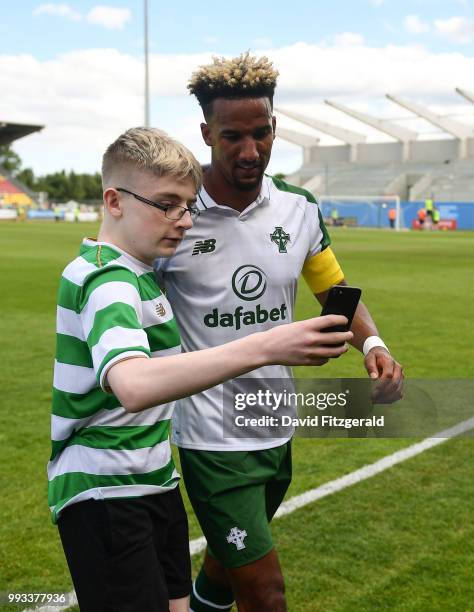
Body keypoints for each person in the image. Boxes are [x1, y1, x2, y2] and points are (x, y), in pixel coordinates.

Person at [48, 127, 353, 612]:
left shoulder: (142, 275)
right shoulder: (107, 280)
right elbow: (132, 384)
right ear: (114, 200)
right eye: (167, 204)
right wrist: (264, 346)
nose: (184, 220)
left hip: (154, 480)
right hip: (104, 491)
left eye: (188, 205)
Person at [155, 53, 403, 612]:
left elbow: (333, 287)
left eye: (262, 133)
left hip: (274, 421)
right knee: (266, 592)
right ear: (205, 134)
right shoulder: (176, 213)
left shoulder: (299, 209)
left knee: (226, 566)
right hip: (210, 437)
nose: (250, 151)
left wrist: (374, 344)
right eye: (233, 137)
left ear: (275, 126)